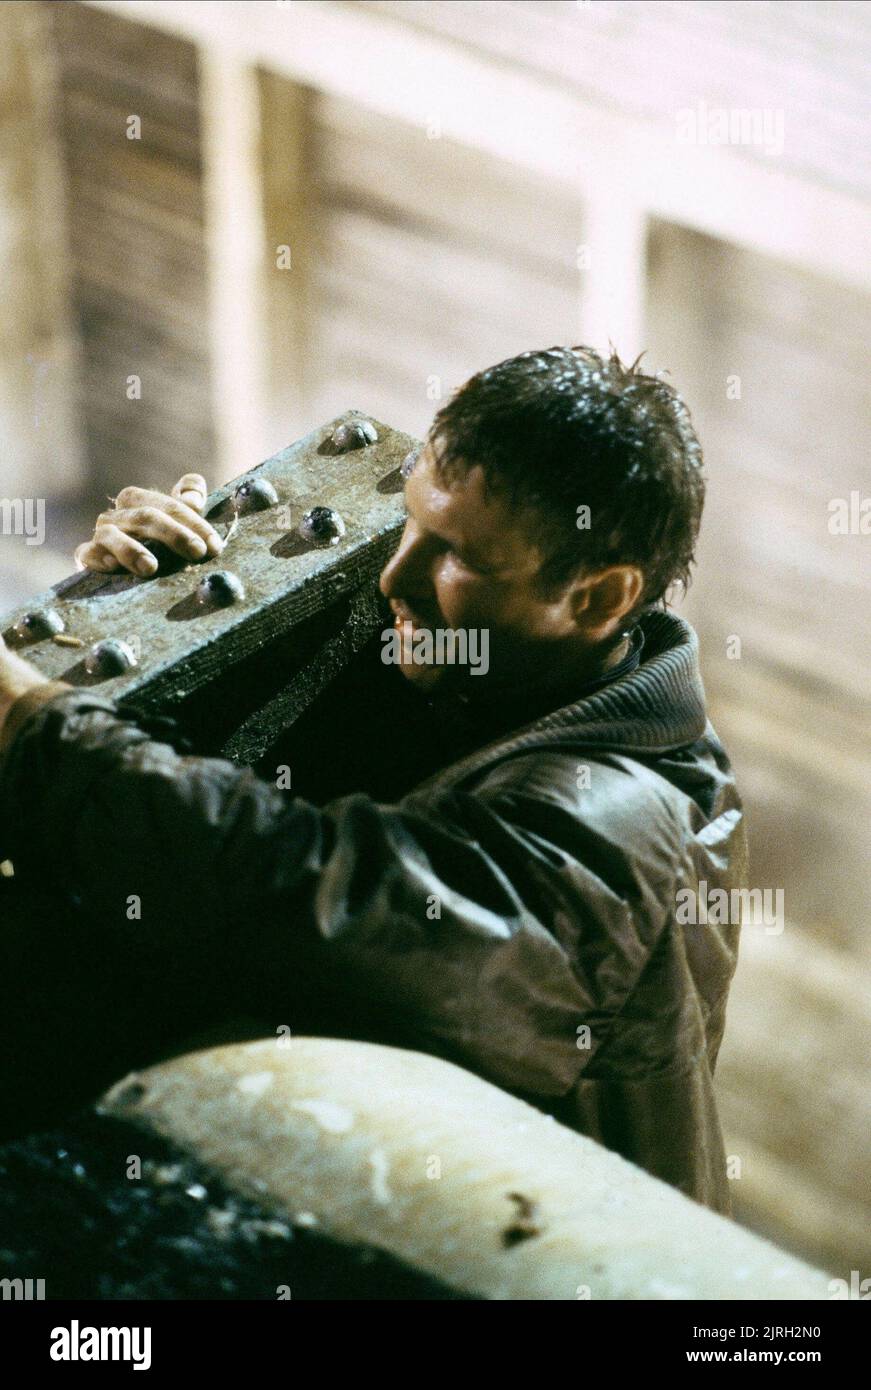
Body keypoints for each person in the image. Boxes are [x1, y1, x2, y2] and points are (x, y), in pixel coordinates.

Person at [0, 346, 746, 1212]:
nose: (395, 575)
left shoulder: (623, 823)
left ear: (596, 598)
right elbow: (238, 770)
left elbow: (320, 900)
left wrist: (38, 728)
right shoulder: (462, 656)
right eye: (409, 521)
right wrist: (144, 604)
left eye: (458, 558)